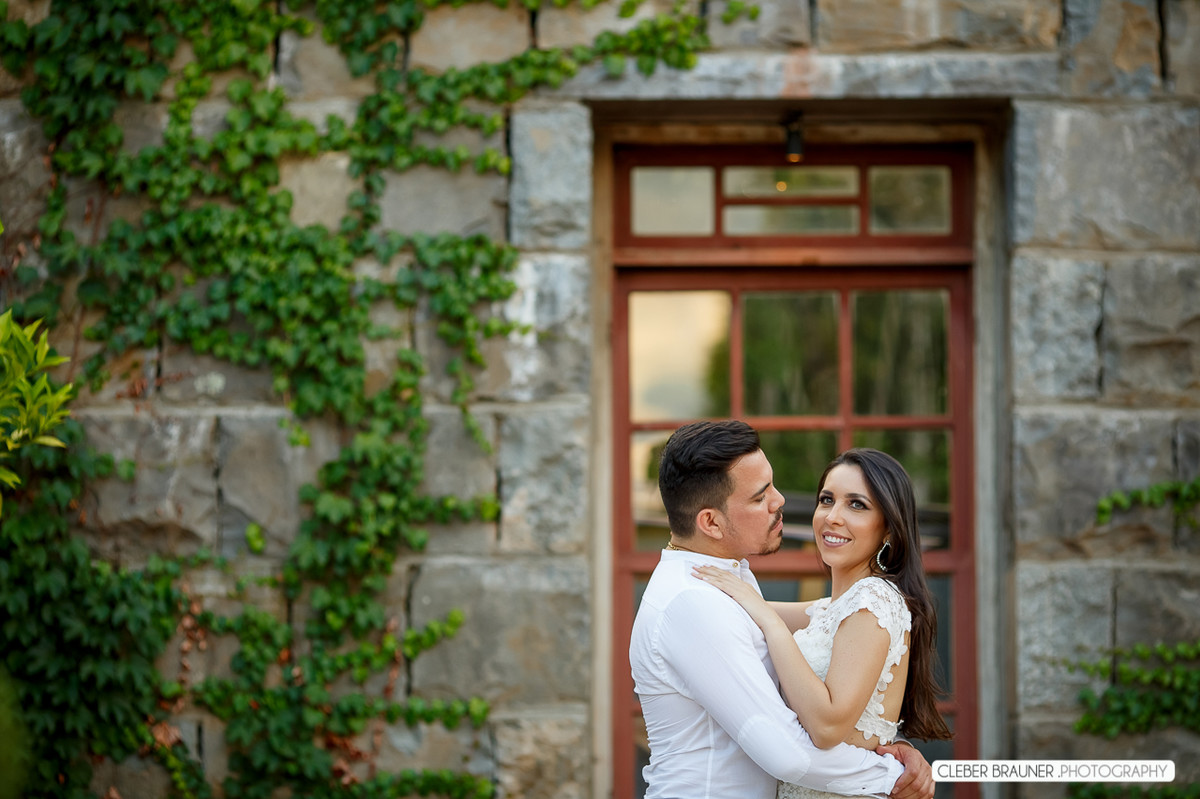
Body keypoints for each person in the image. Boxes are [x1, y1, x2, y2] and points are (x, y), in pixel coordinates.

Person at [630, 420, 935, 799]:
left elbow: (840, 621)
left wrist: (886, 739)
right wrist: (894, 775)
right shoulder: (693, 602)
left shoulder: (729, 582)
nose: (780, 501)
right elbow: (788, 753)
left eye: (856, 504)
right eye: (760, 497)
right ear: (710, 522)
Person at [694, 446, 952, 799]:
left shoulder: (873, 600)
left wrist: (770, 623)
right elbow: (741, 608)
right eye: (827, 500)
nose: (832, 517)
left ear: (889, 529)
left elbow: (827, 727)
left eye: (857, 505)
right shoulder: (836, 608)